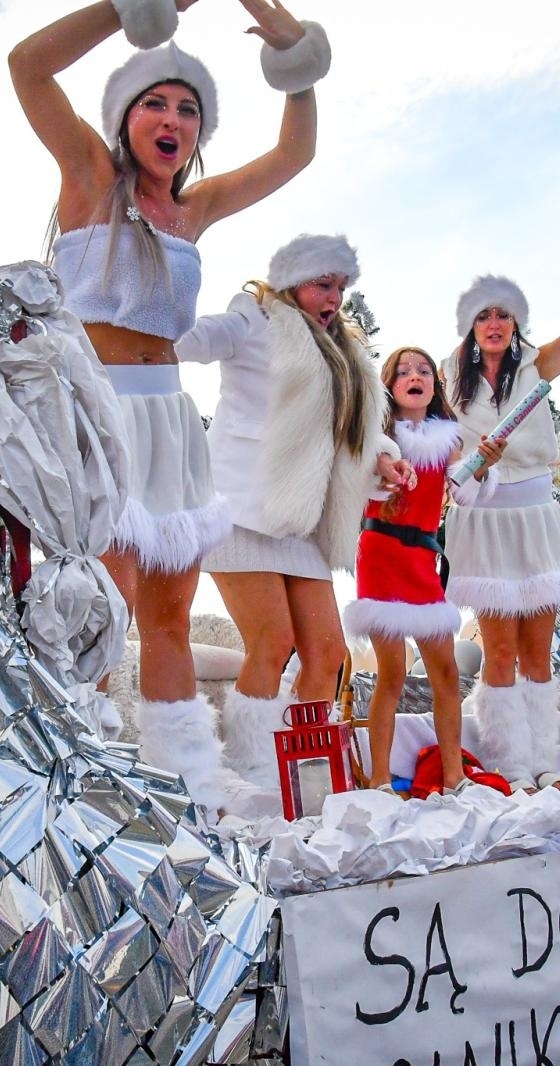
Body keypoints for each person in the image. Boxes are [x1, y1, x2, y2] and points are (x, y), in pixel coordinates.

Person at [8, 0, 333, 814]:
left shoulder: (194, 209)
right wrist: (130, 7)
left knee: (170, 615)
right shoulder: (89, 176)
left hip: (172, 421)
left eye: (188, 109)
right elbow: (27, 65)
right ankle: (78, 780)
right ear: (126, 118)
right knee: (102, 604)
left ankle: (188, 779)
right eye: (155, 102)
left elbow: (296, 153)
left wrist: (288, 47)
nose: (172, 119)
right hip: (101, 414)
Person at [176, 234, 406, 791]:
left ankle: (305, 770)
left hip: (299, 517)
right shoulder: (252, 318)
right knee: (273, 642)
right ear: (291, 282)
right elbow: (191, 339)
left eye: (340, 288)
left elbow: (345, 431)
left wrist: (383, 459)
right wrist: (153, 320)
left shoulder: (342, 353)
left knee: (327, 652)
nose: (334, 298)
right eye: (323, 284)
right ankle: (252, 768)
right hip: (240, 507)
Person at [442, 188, 560, 790]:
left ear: (515, 324)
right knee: (498, 649)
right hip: (483, 517)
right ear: (471, 326)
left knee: (537, 650)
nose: (494, 324)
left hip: (535, 514)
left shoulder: (537, 366)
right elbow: (437, 449)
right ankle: (510, 766)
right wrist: (474, 462)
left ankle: (546, 761)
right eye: (484, 316)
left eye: (503, 315)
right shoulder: (446, 376)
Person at [344, 346, 501, 795]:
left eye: (424, 370)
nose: (415, 376)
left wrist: (483, 466)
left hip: (423, 560)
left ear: (435, 384)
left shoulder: (449, 440)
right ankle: (380, 781)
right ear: (389, 386)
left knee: (446, 673)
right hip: (380, 552)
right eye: (404, 371)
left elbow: (466, 495)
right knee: (391, 672)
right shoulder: (376, 437)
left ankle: (454, 777)